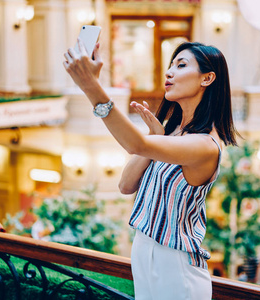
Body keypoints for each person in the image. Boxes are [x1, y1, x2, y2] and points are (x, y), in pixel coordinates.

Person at [64, 40, 239, 299]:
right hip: (144, 252)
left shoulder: (205, 144)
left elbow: (134, 144)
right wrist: (154, 135)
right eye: (171, 65)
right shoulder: (174, 133)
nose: (169, 72)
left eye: (181, 65)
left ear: (207, 78)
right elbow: (125, 185)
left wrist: (90, 85)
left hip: (176, 266)